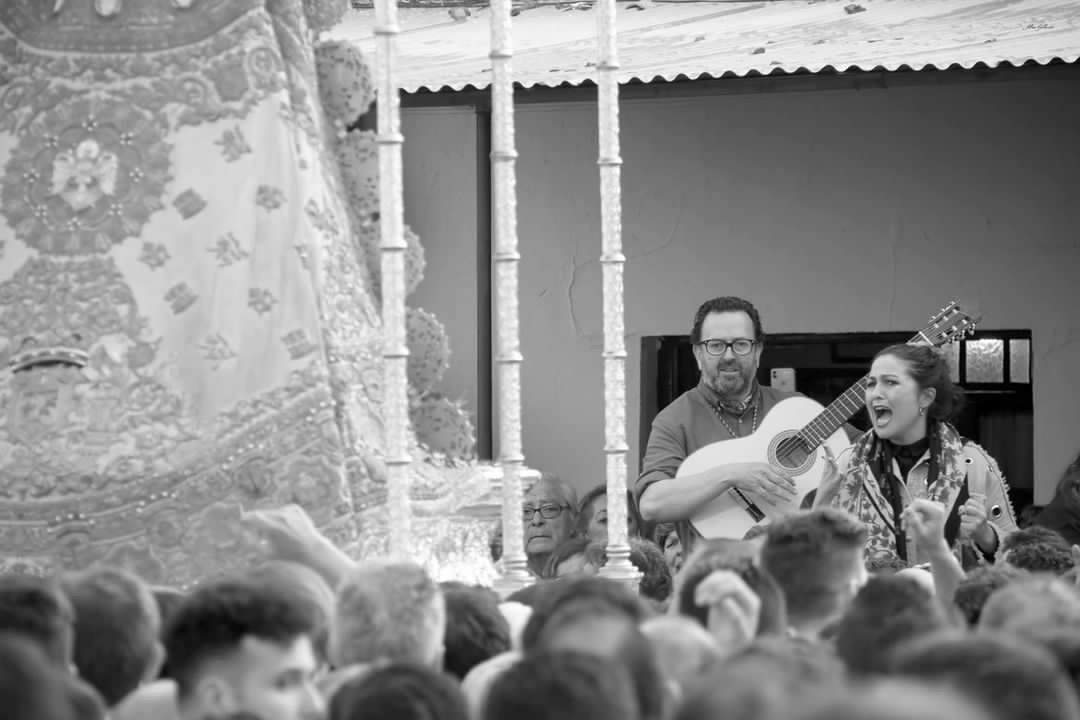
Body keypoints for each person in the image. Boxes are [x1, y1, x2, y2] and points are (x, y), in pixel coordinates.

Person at [815, 343, 1017, 567]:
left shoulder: (972, 462)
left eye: (890, 382)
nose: (875, 394)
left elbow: (1018, 557)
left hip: (950, 599)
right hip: (869, 600)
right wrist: (821, 502)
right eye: (871, 384)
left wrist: (986, 535)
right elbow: (814, 560)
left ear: (925, 398)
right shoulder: (847, 462)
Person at [636, 296, 799, 555]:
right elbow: (651, 504)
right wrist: (731, 475)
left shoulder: (793, 409)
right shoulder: (674, 420)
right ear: (698, 353)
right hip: (713, 583)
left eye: (741, 344)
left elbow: (859, 449)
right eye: (716, 345)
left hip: (790, 577)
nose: (729, 355)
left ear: (758, 351)